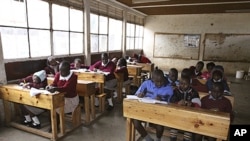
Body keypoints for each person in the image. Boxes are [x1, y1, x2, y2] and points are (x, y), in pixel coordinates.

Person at [133, 69, 173, 141]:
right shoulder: (146, 84)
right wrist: (139, 95)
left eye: (161, 81)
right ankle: (148, 139)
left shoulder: (168, 88)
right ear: (152, 80)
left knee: (160, 125)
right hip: (145, 110)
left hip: (160, 113)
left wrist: (162, 100)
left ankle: (158, 139)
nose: (160, 83)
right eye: (157, 82)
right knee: (135, 122)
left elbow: (171, 104)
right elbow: (137, 95)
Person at [169, 76, 201, 141]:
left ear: (189, 84)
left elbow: (198, 105)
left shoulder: (194, 92)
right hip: (177, 116)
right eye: (181, 83)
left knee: (188, 133)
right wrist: (178, 103)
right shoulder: (176, 91)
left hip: (189, 118)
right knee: (173, 131)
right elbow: (171, 102)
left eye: (185, 84)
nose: (183, 86)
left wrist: (192, 104)